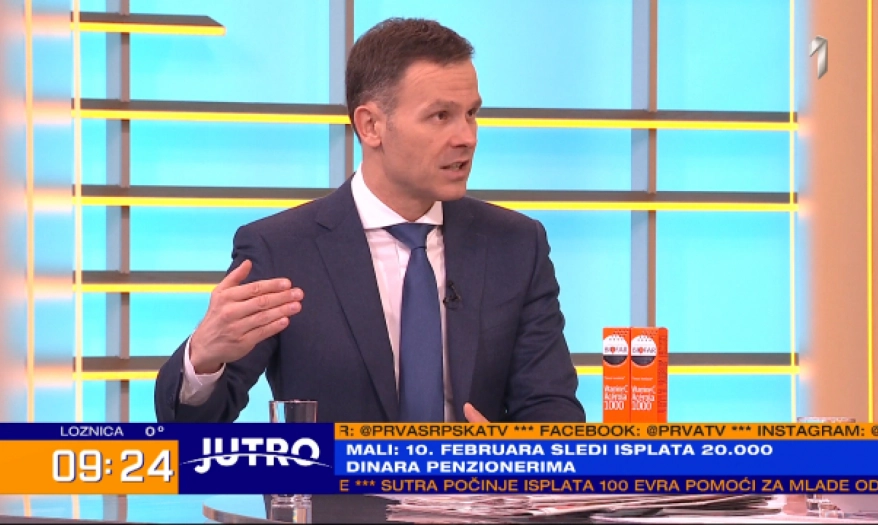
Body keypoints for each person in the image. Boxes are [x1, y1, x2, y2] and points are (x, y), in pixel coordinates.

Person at [154, 18, 585, 424]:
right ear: (371, 126)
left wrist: (509, 453)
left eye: (471, 113)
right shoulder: (283, 249)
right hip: (333, 483)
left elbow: (552, 408)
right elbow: (193, 426)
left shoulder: (516, 244)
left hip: (477, 482)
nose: (466, 137)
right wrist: (205, 356)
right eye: (441, 116)